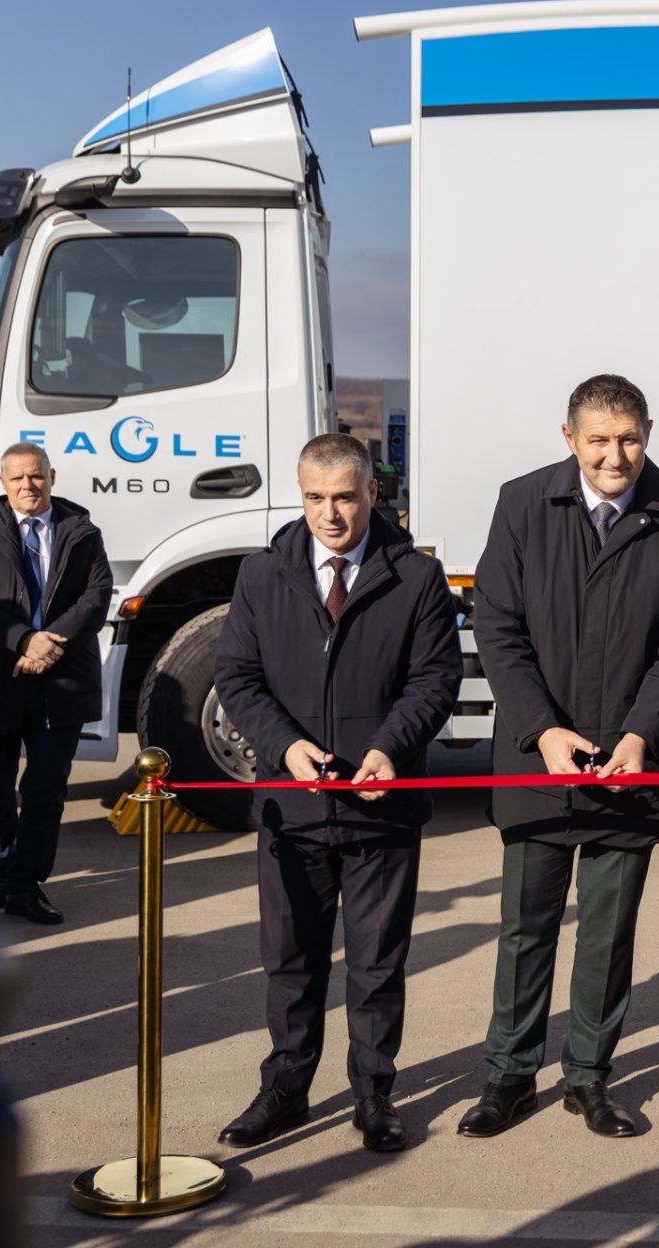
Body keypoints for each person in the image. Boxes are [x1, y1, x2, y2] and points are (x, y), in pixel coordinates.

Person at [460, 374, 659, 1141]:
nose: (615, 455)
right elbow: (497, 625)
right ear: (568, 437)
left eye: (629, 438)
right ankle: (508, 1077)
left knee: (607, 936)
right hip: (538, 761)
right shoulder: (523, 503)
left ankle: (588, 1078)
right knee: (526, 929)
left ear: (649, 433)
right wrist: (542, 730)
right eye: (599, 440)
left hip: (631, 767)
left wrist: (642, 734)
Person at [212, 433, 461, 1154]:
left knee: (377, 963)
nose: (330, 513)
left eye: (345, 497)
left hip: (382, 808)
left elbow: (435, 680)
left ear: (372, 494)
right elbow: (237, 677)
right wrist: (284, 747)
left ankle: (374, 1093)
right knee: (290, 960)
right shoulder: (262, 575)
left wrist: (390, 747)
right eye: (315, 498)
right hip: (291, 810)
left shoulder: (416, 578)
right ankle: (285, 1089)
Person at [0, 443, 112, 926]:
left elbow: (96, 597)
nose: (27, 486)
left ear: (51, 476)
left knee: (45, 788)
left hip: (60, 679)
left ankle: (25, 884)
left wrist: (48, 646)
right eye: (17, 478)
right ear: (3, 482)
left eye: (35, 476)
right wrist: (23, 640)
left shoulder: (83, 532)